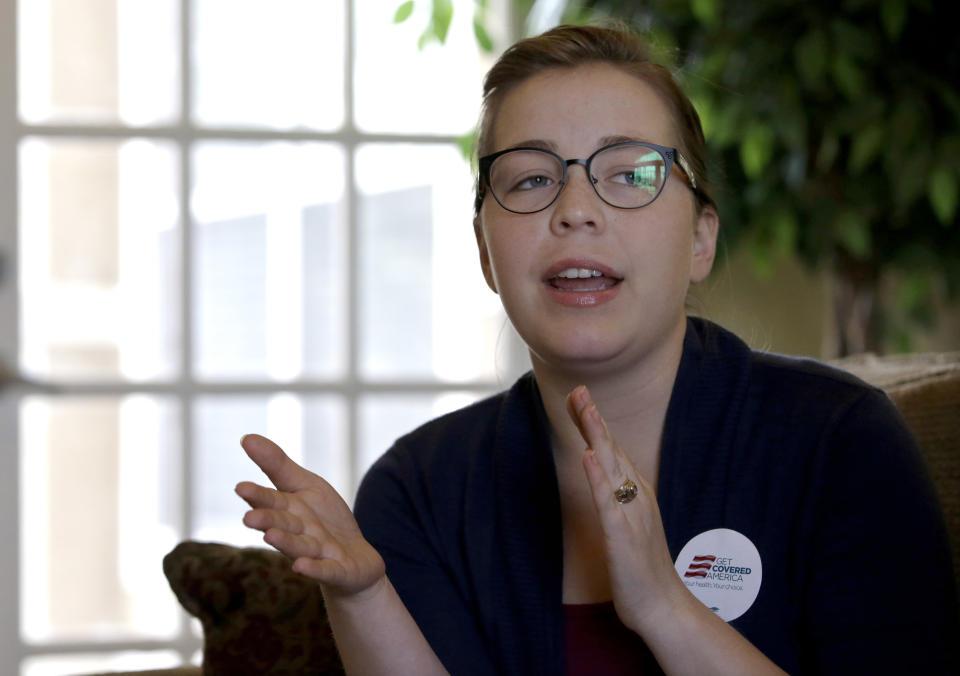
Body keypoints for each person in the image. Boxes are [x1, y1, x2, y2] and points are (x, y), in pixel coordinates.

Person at [235, 23, 958, 675]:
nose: (575, 209)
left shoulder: (840, 441)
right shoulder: (418, 488)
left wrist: (664, 607)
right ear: (487, 252)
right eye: (533, 178)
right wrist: (363, 598)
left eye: (630, 174)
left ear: (701, 238)